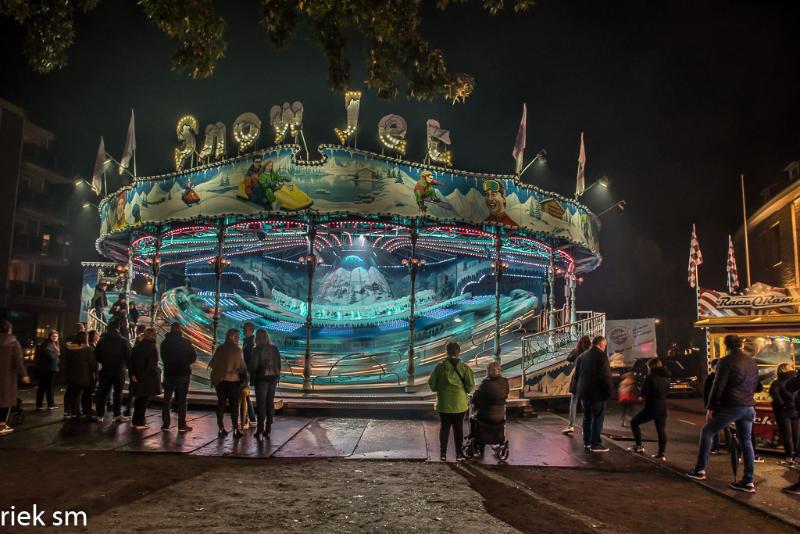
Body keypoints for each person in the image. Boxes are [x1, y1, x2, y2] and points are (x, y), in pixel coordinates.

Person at [687, 334, 759, 493]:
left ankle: (699, 470)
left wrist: (710, 408)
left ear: (726, 346)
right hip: (748, 407)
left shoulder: (725, 361)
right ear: (741, 345)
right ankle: (748, 481)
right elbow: (755, 384)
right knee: (746, 442)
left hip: (732, 406)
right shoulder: (752, 361)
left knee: (707, 431)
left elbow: (717, 386)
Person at [428, 340, 475, 462]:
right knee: (458, 428)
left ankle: (443, 453)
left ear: (447, 352)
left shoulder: (440, 367)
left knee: (444, 428)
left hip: (444, 403)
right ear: (459, 352)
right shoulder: (464, 368)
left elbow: (432, 384)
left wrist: (441, 388)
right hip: (459, 403)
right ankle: (459, 454)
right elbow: (470, 386)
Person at [574, 335, 613, 452]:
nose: (605, 347)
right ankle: (595, 444)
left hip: (584, 392)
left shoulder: (582, 356)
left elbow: (577, 376)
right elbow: (605, 377)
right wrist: (608, 393)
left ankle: (587, 442)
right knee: (597, 417)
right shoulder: (602, 356)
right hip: (597, 393)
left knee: (587, 417)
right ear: (601, 344)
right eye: (605, 345)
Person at [627, 358, 671, 460]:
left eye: (648, 367)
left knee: (634, 422)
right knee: (661, 430)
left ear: (651, 367)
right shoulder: (666, 378)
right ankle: (661, 454)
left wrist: (638, 396)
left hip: (652, 406)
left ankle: (639, 446)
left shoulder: (651, 377)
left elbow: (643, 395)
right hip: (663, 407)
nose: (647, 369)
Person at [209, 328, 248, 438]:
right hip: (233, 382)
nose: (238, 338)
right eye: (237, 336)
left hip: (220, 381)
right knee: (234, 406)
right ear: (232, 337)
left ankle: (221, 428)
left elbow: (213, 364)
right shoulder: (237, 350)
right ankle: (235, 429)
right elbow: (242, 367)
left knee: (221, 404)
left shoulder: (220, 348)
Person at [160, 323, 197, 432]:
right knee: (182, 400)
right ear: (180, 330)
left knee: (167, 399)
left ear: (171, 330)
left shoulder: (164, 343)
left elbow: (163, 357)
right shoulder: (185, 342)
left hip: (169, 373)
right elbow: (193, 357)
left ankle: (166, 424)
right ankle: (181, 424)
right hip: (183, 373)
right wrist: (186, 362)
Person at [94, 321, 131, 422]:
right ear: (118, 328)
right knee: (118, 393)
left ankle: (100, 415)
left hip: (105, 370)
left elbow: (97, 355)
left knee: (102, 392)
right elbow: (128, 357)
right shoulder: (124, 341)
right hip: (119, 370)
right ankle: (117, 415)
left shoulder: (102, 341)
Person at [470, 361, 509, 456]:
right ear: (499, 371)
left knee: (473, 419)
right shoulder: (505, 381)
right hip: (500, 415)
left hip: (486, 416)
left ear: (489, 371)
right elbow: (505, 394)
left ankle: (479, 445)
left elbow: (477, 398)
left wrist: (473, 398)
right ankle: (498, 442)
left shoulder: (486, 383)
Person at [250, 328, 281, 440]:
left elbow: (253, 366)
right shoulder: (274, 348)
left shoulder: (257, 349)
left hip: (261, 379)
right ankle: (268, 428)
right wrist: (277, 376)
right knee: (270, 403)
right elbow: (279, 364)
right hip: (273, 378)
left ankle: (260, 429)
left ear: (257, 338)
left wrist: (251, 379)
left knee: (261, 404)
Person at [0, 321, 29, 435]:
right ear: (9, 329)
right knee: (5, 401)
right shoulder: (12, 342)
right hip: (7, 377)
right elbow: (18, 360)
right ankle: (2, 425)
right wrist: (24, 374)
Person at [129, 327, 160, 430]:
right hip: (147, 378)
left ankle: (136, 421)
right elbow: (151, 364)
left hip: (137, 377)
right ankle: (140, 422)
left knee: (139, 400)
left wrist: (133, 374)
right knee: (143, 401)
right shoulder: (152, 347)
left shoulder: (138, 346)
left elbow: (131, 361)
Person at [63, 331, 98, 421]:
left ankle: (74, 414)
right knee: (87, 396)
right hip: (85, 376)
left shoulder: (69, 349)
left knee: (74, 395)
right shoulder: (88, 349)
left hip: (72, 376)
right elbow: (93, 364)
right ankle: (87, 414)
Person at [769, 363, 798, 464]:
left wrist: (783, 404)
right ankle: (798, 457)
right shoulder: (796, 380)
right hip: (795, 410)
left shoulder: (777, 382)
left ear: (780, 371)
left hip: (783, 411)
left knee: (787, 435)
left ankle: (789, 457)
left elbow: (774, 394)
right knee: (796, 434)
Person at [563, 335, 592, 434]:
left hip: (576, 379)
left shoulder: (577, 352)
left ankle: (571, 425)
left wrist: (575, 350)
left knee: (573, 402)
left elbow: (568, 359)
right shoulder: (590, 353)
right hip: (587, 379)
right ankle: (585, 428)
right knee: (586, 404)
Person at [34, 330, 60, 411]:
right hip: (49, 369)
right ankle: (50, 404)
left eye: (56, 336)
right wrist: (57, 356)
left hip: (46, 368)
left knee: (43, 387)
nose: (55, 338)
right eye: (53, 336)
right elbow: (50, 355)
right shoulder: (48, 344)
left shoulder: (50, 344)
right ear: (50, 336)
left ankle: (40, 404)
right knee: (48, 387)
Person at [241, 322, 257, 429]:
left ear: (250, 330)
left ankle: (249, 417)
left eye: (244, 329)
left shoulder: (251, 342)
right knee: (244, 394)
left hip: (246, 372)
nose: (243, 330)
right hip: (245, 371)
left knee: (244, 394)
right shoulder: (247, 341)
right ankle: (249, 417)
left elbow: (249, 358)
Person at [704, 359, 722, 454]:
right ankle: (715, 446)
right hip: (715, 405)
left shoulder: (721, 377)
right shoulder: (711, 377)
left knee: (723, 427)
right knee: (714, 426)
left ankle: (717, 446)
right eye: (716, 366)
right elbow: (706, 392)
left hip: (721, 405)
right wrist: (708, 405)